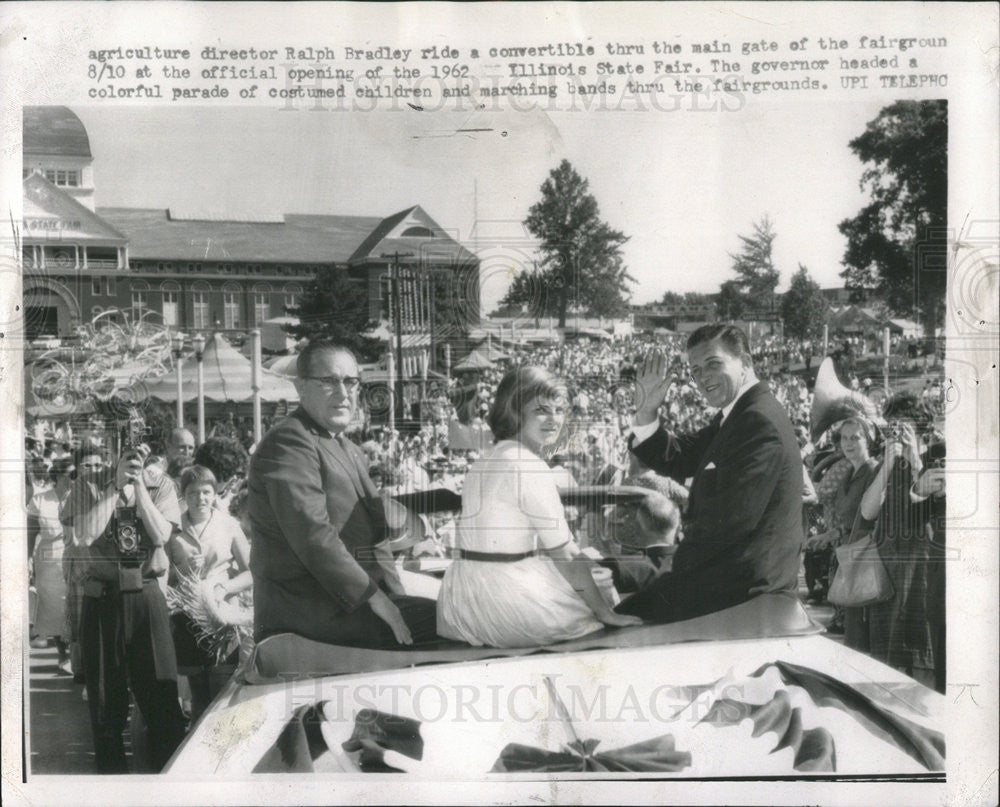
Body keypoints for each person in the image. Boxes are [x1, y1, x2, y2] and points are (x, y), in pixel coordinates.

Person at [248, 340, 438, 648]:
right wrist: (376, 598)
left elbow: (378, 538)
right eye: (329, 381)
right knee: (466, 625)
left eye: (350, 381)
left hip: (351, 607)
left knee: (463, 616)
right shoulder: (289, 441)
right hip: (314, 615)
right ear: (301, 388)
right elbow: (313, 535)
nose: (343, 392)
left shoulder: (347, 447)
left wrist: (396, 595)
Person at [436, 366, 641, 648]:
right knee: (603, 596)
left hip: (461, 599)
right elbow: (567, 555)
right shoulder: (529, 466)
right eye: (541, 410)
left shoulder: (488, 458)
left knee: (590, 579)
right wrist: (605, 613)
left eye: (559, 409)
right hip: (507, 605)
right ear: (515, 411)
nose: (554, 419)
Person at [615, 323, 804, 623]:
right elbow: (678, 457)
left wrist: (665, 568)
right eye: (696, 370)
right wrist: (646, 411)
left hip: (742, 591)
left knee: (616, 618)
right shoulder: (741, 413)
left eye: (713, 364)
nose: (703, 378)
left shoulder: (757, 420)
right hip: (728, 578)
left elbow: (729, 523)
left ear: (746, 363)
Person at [63, 439, 187, 773]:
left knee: (162, 699)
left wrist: (139, 489)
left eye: (141, 450)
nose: (135, 456)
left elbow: (161, 534)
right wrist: (115, 489)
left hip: (145, 595)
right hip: (102, 598)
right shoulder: (87, 483)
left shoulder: (162, 485)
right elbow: (85, 535)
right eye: (128, 448)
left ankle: (167, 787)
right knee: (106, 704)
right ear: (115, 447)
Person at [856, 394, 941, 688]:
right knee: (886, 649)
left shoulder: (935, 457)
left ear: (919, 427)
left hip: (922, 564)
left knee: (921, 643)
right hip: (887, 566)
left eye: (902, 426)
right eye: (891, 426)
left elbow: (933, 504)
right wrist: (888, 464)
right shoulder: (886, 464)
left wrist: (915, 460)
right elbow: (867, 511)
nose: (896, 432)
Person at [167, 465, 252, 722]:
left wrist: (225, 588)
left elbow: (252, 572)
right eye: (193, 493)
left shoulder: (228, 525)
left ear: (215, 494)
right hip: (187, 618)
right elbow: (163, 577)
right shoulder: (172, 527)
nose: (200, 498)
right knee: (197, 692)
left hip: (221, 616)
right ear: (184, 495)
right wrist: (181, 569)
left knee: (222, 689)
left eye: (206, 492)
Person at [806, 416, 880, 645]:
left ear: (868, 441)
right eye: (844, 438)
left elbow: (868, 519)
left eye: (855, 438)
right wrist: (827, 536)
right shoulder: (849, 472)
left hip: (864, 560)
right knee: (852, 634)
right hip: (848, 557)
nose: (848, 443)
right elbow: (847, 519)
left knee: (861, 636)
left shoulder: (874, 471)